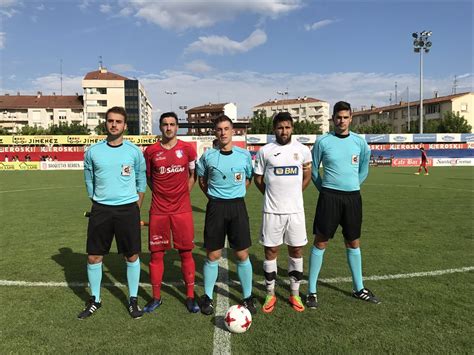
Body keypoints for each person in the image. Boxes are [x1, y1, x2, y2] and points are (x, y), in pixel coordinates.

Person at [307, 101, 380, 309]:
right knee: (321, 241)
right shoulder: (323, 142)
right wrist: (326, 189)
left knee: (353, 242)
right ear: (333, 118)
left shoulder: (360, 142)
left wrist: (354, 185)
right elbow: (313, 171)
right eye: (338, 117)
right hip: (329, 197)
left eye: (345, 117)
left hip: (352, 198)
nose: (341, 120)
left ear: (351, 119)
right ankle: (311, 291)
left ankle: (359, 288)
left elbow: (364, 168)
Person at [78, 106, 147, 320]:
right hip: (101, 209)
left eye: (118, 121)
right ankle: (95, 300)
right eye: (110, 121)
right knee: (94, 256)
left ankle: (133, 299)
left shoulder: (134, 151)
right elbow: (89, 178)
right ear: (105, 123)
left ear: (125, 126)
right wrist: (96, 199)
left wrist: (136, 207)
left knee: (132, 255)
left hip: (128, 209)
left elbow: (141, 181)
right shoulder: (94, 151)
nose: (114, 124)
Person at [196, 115, 256, 315]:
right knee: (213, 254)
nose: (223, 132)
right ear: (215, 132)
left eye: (226, 128)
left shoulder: (244, 155)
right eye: (219, 129)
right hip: (216, 208)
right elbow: (202, 180)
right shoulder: (208, 157)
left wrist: (236, 193)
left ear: (233, 131)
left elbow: (248, 178)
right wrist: (214, 197)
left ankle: (247, 297)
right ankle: (207, 296)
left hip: (237, 207)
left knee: (242, 254)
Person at [254, 112, 312, 313]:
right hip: (272, 211)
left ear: (292, 128)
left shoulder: (303, 151)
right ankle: (270, 294)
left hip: (295, 212)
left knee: (296, 250)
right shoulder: (265, 151)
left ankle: (294, 294)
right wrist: (271, 195)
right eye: (280, 127)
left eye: (287, 127)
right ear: (274, 129)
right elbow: (259, 179)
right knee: (270, 251)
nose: (284, 131)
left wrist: (294, 194)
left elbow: (307, 176)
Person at [143, 112, 200, 314]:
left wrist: (183, 193)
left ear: (177, 127)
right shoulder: (150, 152)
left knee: (186, 252)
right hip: (158, 209)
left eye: (172, 124)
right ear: (160, 127)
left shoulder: (188, 149)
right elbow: (149, 179)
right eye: (165, 124)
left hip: (182, 209)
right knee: (156, 254)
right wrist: (161, 194)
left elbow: (194, 174)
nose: (169, 128)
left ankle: (191, 297)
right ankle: (156, 297)